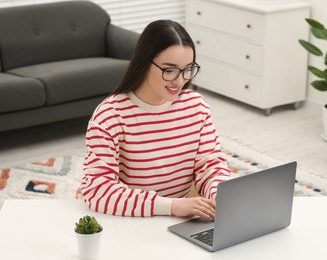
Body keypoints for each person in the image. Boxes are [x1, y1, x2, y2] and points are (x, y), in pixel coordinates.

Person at [80, 20, 231, 218]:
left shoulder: (196, 106)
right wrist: (172, 206)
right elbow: (99, 192)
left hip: (182, 220)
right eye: (169, 70)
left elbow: (210, 166)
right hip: (133, 221)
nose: (180, 81)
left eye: (188, 69)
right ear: (144, 62)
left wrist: (221, 195)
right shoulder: (110, 116)